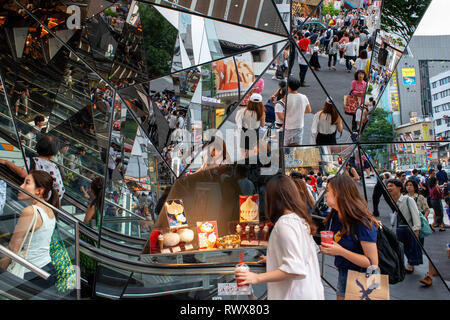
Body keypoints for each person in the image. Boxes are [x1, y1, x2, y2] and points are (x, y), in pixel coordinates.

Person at [234, 175, 324, 300]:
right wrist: (273, 258)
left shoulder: (284, 224)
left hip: (295, 294)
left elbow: (294, 268)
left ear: (272, 199)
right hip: (311, 291)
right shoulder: (299, 220)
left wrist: (256, 277)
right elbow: (302, 255)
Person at [321, 174, 379, 300]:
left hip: (362, 277)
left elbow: (372, 263)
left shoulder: (361, 221)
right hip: (343, 272)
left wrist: (340, 251)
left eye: (328, 190)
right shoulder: (334, 216)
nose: (325, 194)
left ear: (339, 193)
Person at [0, 170, 58, 290]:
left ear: (39, 190)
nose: (21, 186)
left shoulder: (31, 211)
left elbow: (13, 248)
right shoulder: (49, 209)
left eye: (27, 183)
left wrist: (2, 270)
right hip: (46, 268)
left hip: (30, 273)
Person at [0, 135, 65, 205]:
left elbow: (22, 173)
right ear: (53, 154)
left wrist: (6, 162)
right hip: (48, 201)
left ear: (37, 146)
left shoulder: (31, 161)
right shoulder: (54, 167)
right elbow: (59, 187)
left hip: (34, 199)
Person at [404, 179, 438, 287]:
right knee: (408, 244)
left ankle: (412, 264)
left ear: (414, 187)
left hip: (418, 224)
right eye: (407, 185)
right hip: (407, 224)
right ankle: (412, 263)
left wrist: (424, 217)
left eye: (410, 185)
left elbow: (427, 209)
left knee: (418, 244)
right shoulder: (404, 198)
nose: (408, 187)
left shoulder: (420, 197)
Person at [386, 179, 422, 273]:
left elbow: (415, 215)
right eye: (388, 186)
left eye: (391, 186)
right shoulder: (392, 200)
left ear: (399, 188)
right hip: (398, 227)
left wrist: (416, 229)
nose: (388, 188)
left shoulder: (408, 199)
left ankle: (411, 264)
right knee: (401, 247)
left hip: (408, 228)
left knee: (411, 247)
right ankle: (403, 264)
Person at [235, 93, 266, 159]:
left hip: (244, 131)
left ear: (250, 102)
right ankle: (250, 166)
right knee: (251, 152)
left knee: (243, 152)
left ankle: (243, 165)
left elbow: (239, 122)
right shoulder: (261, 113)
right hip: (254, 133)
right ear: (260, 103)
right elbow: (263, 125)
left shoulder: (244, 111)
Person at [284, 77, 311, 146]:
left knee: (287, 146)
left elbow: (283, 111)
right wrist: (300, 111)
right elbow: (308, 110)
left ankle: (287, 157)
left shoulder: (286, 98)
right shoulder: (303, 97)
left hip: (288, 125)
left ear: (288, 87)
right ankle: (297, 156)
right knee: (298, 145)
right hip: (299, 125)